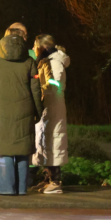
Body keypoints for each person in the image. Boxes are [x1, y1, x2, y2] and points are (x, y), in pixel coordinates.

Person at [0, 23, 43, 195]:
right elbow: (36, 89)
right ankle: (22, 188)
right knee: (23, 150)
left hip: (1, 110)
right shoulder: (29, 61)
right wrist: (38, 111)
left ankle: (5, 188)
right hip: (25, 109)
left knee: (4, 149)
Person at [33, 34, 70, 194]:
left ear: (44, 47)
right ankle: (47, 178)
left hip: (53, 107)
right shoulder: (44, 62)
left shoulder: (54, 63)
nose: (33, 49)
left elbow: (57, 83)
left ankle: (55, 180)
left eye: (35, 45)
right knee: (46, 142)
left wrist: (41, 87)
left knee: (54, 141)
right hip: (47, 107)